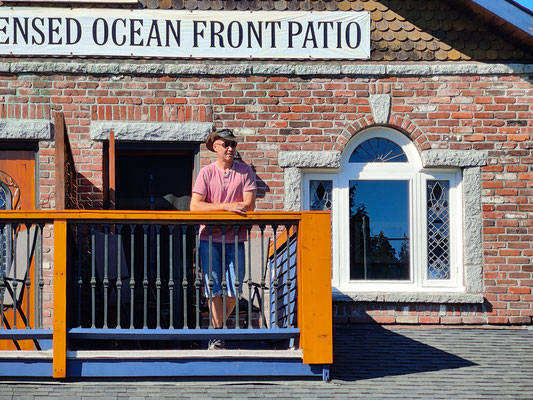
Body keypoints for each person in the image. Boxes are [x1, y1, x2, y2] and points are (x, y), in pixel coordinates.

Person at [190, 129, 257, 350]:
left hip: (235, 237)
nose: (230, 148)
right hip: (208, 237)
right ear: (215, 147)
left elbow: (249, 204)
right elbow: (195, 206)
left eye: (233, 145)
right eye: (225, 144)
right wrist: (227, 206)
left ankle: (216, 330)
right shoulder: (206, 172)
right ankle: (219, 335)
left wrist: (220, 209)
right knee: (212, 286)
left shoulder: (245, 171)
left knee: (234, 287)